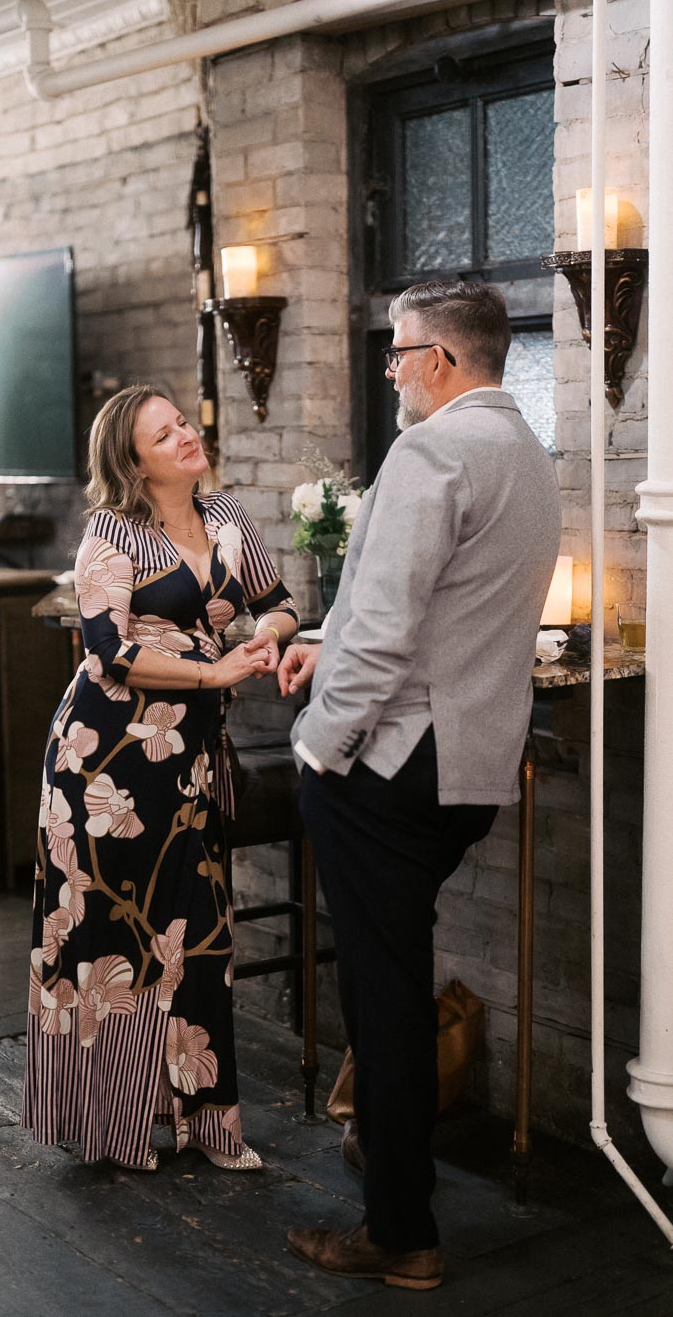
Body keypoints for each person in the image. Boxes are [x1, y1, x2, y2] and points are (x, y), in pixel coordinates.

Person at [280, 280, 561, 1290]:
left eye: (398, 353)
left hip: (390, 765)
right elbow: (437, 611)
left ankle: (402, 1231)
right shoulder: (527, 453)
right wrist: (327, 639)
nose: (392, 370)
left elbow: (392, 628)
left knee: (384, 986)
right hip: (473, 767)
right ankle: (382, 1143)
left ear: (438, 360)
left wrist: (319, 745)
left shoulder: (433, 450)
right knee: (390, 969)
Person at [22, 383, 299, 1171]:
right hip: (104, 765)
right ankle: (112, 1125)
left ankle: (211, 1125)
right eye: (164, 434)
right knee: (112, 940)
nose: (185, 436)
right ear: (134, 464)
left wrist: (268, 636)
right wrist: (214, 674)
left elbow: (279, 601)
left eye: (182, 422)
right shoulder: (110, 534)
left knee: (202, 934)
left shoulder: (229, 517)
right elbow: (108, 650)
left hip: (193, 761)